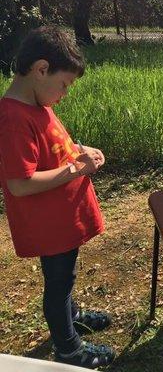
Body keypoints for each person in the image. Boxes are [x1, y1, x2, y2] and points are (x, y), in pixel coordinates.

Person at [0, 26, 114, 369]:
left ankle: (72, 313)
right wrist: (76, 171)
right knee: (59, 283)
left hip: (62, 222)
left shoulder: (37, 104)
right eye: (64, 84)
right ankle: (69, 349)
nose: (65, 93)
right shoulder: (14, 119)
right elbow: (20, 183)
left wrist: (79, 150)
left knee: (66, 277)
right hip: (49, 228)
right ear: (41, 69)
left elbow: (54, 145)